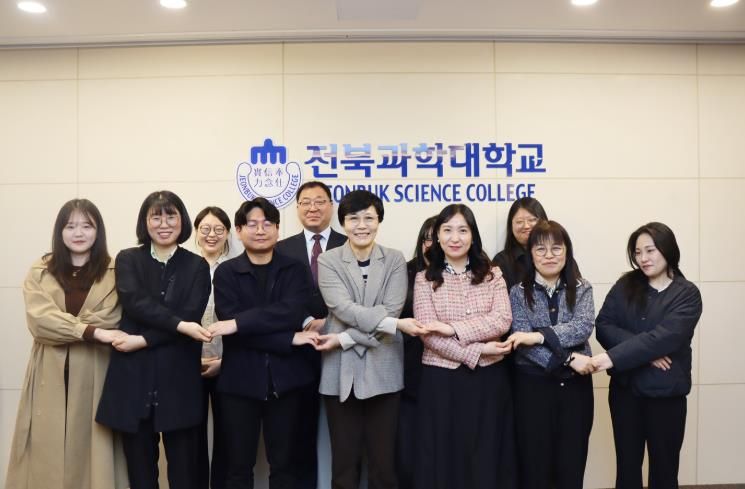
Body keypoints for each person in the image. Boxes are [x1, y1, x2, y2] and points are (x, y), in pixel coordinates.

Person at [5, 199, 128, 489]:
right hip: (49, 370)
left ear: (98, 231)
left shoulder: (115, 270)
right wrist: (91, 331)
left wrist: (65, 326)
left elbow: (113, 317)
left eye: (87, 225)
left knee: (93, 447)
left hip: (96, 371)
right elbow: (40, 322)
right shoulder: (41, 270)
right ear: (59, 231)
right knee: (45, 447)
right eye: (70, 226)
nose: (79, 233)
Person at [96, 190, 212, 489]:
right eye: (156, 216)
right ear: (144, 221)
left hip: (179, 379)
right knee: (140, 474)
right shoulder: (127, 259)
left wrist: (143, 340)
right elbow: (135, 303)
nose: (164, 224)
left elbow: (191, 313)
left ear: (182, 220)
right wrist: (179, 325)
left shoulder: (197, 265)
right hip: (134, 379)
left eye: (171, 216)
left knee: (186, 474)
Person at [314, 190, 428, 489]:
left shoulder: (394, 259)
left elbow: (392, 309)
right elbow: (342, 308)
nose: (361, 225)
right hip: (341, 374)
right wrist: (393, 324)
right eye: (353, 219)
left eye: (369, 218)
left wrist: (344, 339)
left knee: (384, 466)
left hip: (384, 369)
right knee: (344, 466)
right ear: (343, 223)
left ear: (379, 221)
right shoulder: (328, 260)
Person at [207, 198, 320, 489]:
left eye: (267, 224)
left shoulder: (295, 269)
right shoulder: (227, 272)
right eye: (252, 224)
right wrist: (288, 337)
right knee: (237, 467)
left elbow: (292, 312)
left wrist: (240, 323)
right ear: (239, 230)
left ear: (278, 229)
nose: (260, 230)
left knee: (285, 466)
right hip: (238, 382)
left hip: (288, 381)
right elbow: (234, 326)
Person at [593, 222, 702, 489]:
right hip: (625, 393)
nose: (643, 258)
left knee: (664, 471)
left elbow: (666, 337)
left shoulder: (687, 294)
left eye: (650, 250)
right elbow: (603, 326)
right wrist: (646, 353)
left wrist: (618, 356)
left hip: (666, 396)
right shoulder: (625, 285)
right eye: (638, 252)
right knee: (627, 468)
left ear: (667, 249)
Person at [413, 203, 515, 489]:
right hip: (441, 380)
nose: (454, 238)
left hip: (488, 380)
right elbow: (428, 334)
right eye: (447, 230)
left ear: (473, 235)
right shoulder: (424, 278)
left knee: (485, 451)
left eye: (462, 230)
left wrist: (453, 328)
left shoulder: (493, 274)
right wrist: (479, 350)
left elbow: (502, 320)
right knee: (445, 454)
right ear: (437, 236)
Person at [507, 220, 595, 489]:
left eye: (556, 248)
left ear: (567, 251)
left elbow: (581, 328)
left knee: (572, 461)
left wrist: (539, 335)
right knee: (535, 464)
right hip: (533, 387)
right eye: (540, 249)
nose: (549, 255)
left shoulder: (582, 287)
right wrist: (568, 359)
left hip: (576, 389)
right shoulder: (517, 292)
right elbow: (521, 342)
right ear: (531, 254)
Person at [275, 181, 347, 489]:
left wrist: (329, 321)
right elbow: (277, 298)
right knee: (298, 435)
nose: (313, 208)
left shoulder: (350, 243)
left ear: (331, 205)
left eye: (320, 201)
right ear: (297, 208)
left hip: (343, 348)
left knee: (346, 436)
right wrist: (306, 320)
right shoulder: (281, 248)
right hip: (297, 351)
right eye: (306, 202)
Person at [397, 215, 437, 489]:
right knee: (408, 451)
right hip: (409, 369)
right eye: (427, 238)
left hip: (447, 370)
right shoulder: (405, 271)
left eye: (438, 238)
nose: (432, 244)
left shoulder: (464, 272)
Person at [194, 206, 232, 489]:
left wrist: (225, 359)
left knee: (228, 438)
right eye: (205, 229)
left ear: (228, 233)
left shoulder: (235, 268)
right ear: (196, 232)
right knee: (191, 438)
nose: (211, 235)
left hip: (228, 363)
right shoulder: (185, 267)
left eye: (219, 229)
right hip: (189, 364)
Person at [492, 197, 548, 289]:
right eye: (519, 222)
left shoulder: (557, 256)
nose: (526, 226)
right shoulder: (502, 261)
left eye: (532, 220)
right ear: (511, 226)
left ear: (544, 222)